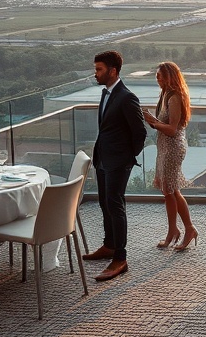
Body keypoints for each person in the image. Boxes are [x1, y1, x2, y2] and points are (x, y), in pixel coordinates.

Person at [83, 50, 147, 282]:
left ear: (113, 70)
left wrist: (126, 158)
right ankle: (109, 245)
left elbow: (140, 133)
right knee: (104, 203)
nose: (95, 73)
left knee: (115, 204)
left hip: (118, 162)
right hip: (103, 159)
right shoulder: (106, 93)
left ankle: (120, 257)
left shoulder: (127, 97)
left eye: (99, 69)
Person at [142, 61, 198, 252]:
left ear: (169, 76)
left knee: (170, 190)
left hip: (173, 148)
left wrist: (154, 122)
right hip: (166, 147)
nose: (157, 79)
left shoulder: (174, 97)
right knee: (171, 191)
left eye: (159, 76)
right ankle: (178, 229)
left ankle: (182, 229)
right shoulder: (165, 94)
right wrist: (153, 121)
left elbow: (172, 129)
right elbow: (164, 125)